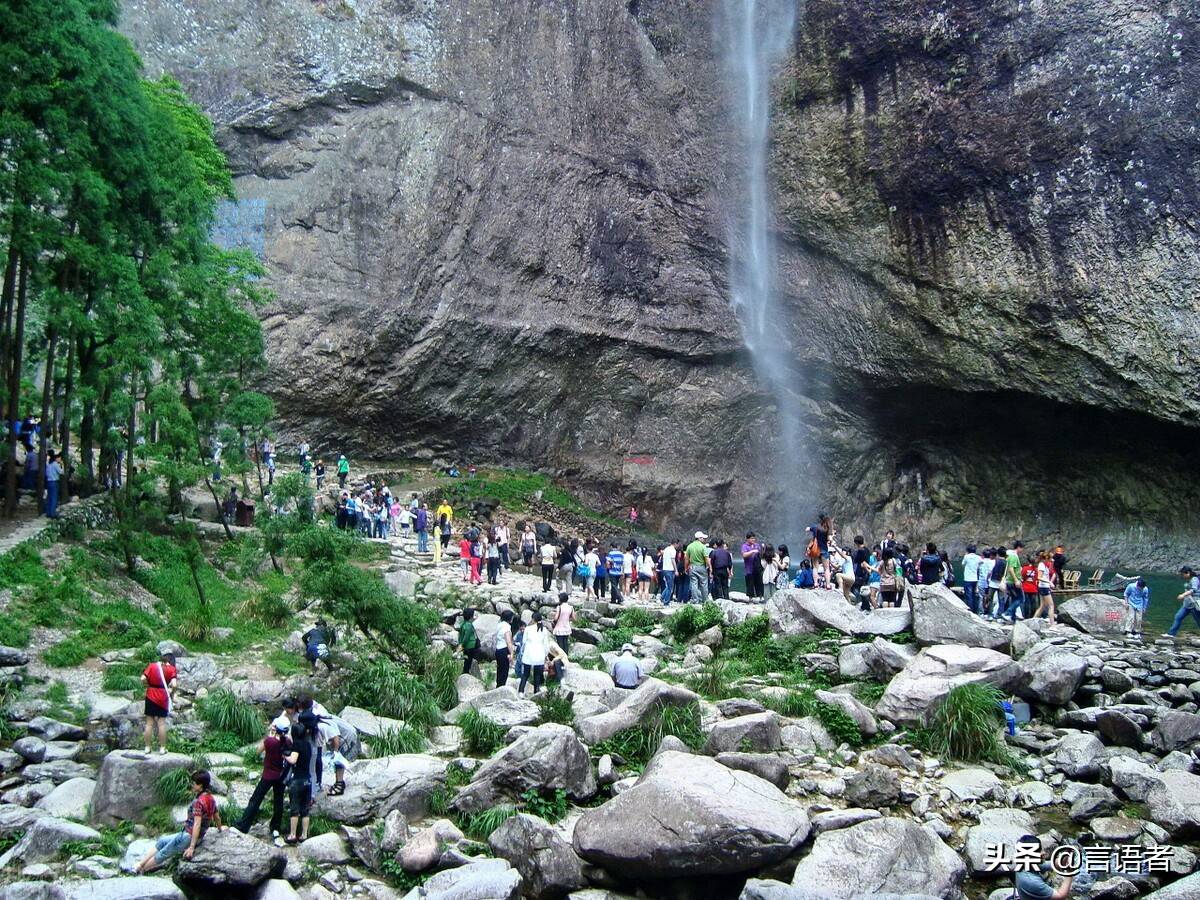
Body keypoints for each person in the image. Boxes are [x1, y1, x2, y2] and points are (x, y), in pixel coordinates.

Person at [136, 770, 223, 872]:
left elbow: (197, 824)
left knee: (164, 853)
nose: (192, 785)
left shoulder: (198, 802)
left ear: (200, 786)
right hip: (190, 834)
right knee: (162, 841)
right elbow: (216, 816)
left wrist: (191, 847)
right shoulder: (210, 798)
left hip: (188, 836)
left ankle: (141, 870)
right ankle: (140, 864)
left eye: (194, 783)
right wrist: (220, 829)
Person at [235, 717, 291, 842]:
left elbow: (256, 751)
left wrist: (269, 735)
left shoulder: (269, 741)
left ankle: (244, 825)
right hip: (280, 776)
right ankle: (275, 827)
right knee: (278, 802)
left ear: (276, 728)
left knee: (255, 800)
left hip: (268, 775)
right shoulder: (287, 742)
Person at [517, 613, 568, 695]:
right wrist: (545, 655)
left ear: (533, 619)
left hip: (529, 654)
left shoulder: (528, 629)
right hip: (539, 654)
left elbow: (524, 642)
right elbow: (546, 645)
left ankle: (521, 691)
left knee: (525, 674)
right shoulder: (543, 630)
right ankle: (536, 691)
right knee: (537, 675)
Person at [284, 720, 316, 844]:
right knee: (305, 809)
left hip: (298, 780)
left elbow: (293, 760)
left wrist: (285, 755)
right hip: (308, 780)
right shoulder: (308, 744)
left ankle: (292, 835)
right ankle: (304, 835)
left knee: (294, 809)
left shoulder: (297, 745)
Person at [1013, 835, 1075, 899]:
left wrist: (1067, 853)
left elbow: (1057, 864)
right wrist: (1070, 873)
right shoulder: (1032, 881)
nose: (1043, 852)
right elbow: (1060, 896)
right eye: (1039, 851)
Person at [142, 651, 177, 755]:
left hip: (150, 695)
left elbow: (143, 678)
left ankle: (147, 747)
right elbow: (174, 685)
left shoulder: (152, 666)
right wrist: (171, 692)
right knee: (161, 724)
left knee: (149, 724)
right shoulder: (172, 669)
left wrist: (147, 686)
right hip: (163, 697)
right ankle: (162, 748)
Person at [1169, 566, 1200, 637]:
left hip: (1194, 604)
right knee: (1178, 617)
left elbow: (1193, 590)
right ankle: (1171, 634)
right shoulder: (1188, 580)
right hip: (1187, 604)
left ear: (1188, 573)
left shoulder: (1194, 579)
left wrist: (1183, 595)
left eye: (1183, 574)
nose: (1182, 576)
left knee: (1198, 621)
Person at [685, 531, 711, 604]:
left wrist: (686, 568)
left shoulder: (689, 546)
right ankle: (705, 600)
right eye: (703, 538)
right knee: (704, 584)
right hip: (702, 567)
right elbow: (706, 558)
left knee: (694, 584)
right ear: (699, 538)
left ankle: (695, 600)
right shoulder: (703, 547)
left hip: (692, 567)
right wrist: (710, 567)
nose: (704, 540)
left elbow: (686, 559)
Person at [1033, 551, 1057, 625]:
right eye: (1050, 558)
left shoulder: (1045, 565)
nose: (1052, 560)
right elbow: (1039, 577)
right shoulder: (1041, 565)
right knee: (1051, 605)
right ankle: (1052, 625)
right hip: (1044, 587)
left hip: (1043, 586)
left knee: (1042, 606)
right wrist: (1049, 582)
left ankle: (1032, 621)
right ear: (1046, 558)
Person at [495, 610, 516, 687]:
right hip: (504, 649)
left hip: (498, 649)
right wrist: (512, 653)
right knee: (504, 671)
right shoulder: (507, 627)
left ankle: (498, 685)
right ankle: (501, 687)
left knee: (499, 669)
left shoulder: (499, 625)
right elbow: (508, 642)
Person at [961, 544, 982, 614]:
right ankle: (975, 610)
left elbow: (963, 564)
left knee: (968, 595)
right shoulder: (978, 557)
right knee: (974, 594)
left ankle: (970, 610)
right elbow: (981, 564)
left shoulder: (966, 556)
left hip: (967, 578)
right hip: (975, 578)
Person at [742, 533, 763, 599]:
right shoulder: (744, 546)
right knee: (750, 584)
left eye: (754, 538)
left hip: (757, 568)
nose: (753, 539)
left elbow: (761, 555)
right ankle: (750, 598)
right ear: (747, 539)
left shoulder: (757, 545)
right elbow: (744, 555)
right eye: (751, 538)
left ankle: (760, 597)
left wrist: (762, 549)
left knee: (759, 582)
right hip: (749, 569)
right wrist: (752, 551)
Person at [459, 608, 480, 675]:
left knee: (467, 660)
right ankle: (466, 673)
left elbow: (461, 635)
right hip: (470, 645)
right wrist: (462, 644)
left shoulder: (463, 624)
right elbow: (466, 637)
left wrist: (460, 643)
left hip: (467, 646)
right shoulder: (469, 625)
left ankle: (465, 672)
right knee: (468, 661)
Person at [1019, 556, 1039, 623]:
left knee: (1026, 603)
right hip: (1033, 588)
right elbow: (1036, 578)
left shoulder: (1025, 568)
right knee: (1033, 603)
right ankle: (1032, 615)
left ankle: (1026, 616)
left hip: (1026, 587)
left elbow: (1022, 576)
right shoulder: (1035, 570)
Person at [43, 451, 63, 519]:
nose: (60, 460)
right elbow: (61, 472)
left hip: (49, 482)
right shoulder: (55, 464)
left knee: (49, 497)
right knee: (54, 497)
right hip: (54, 482)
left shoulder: (49, 464)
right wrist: (61, 465)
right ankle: (53, 513)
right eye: (60, 458)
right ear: (56, 458)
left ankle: (48, 512)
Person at [660, 539, 677, 604]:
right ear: (675, 544)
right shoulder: (673, 550)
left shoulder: (666, 549)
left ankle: (662, 597)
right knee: (670, 587)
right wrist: (676, 570)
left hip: (664, 569)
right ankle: (666, 602)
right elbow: (673, 560)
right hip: (670, 570)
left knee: (668, 586)